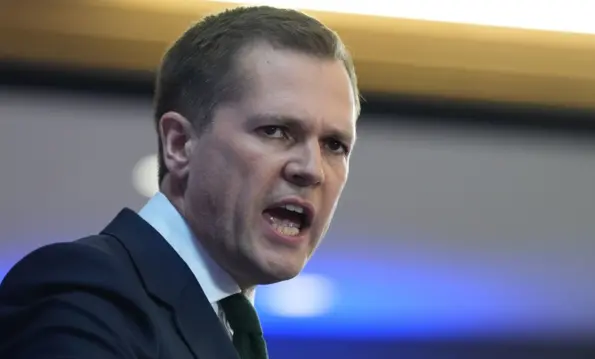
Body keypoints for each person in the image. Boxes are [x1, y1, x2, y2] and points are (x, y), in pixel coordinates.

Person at [0, 5, 359, 359]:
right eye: (276, 131)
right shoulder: (85, 292)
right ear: (179, 144)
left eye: (334, 145)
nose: (313, 169)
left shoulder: (226, 327)